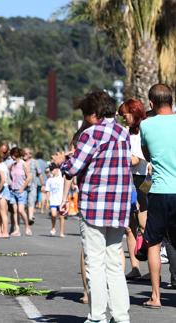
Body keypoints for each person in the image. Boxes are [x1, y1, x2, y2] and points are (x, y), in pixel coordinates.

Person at [54, 90, 130, 323]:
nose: (85, 118)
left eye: (87, 114)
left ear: (95, 113)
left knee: (94, 263)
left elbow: (73, 168)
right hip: (118, 206)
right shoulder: (122, 132)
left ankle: (97, 316)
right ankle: (121, 316)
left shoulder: (92, 134)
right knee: (114, 263)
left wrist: (61, 161)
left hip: (95, 204)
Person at [140, 84, 176, 309]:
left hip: (159, 191)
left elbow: (147, 155)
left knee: (153, 243)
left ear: (151, 104)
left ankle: (156, 296)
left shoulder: (146, 124)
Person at [117, 99, 148, 280]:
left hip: (140, 179)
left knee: (144, 224)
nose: (123, 118)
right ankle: (135, 266)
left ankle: (152, 269)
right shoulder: (125, 132)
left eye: (125, 115)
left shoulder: (142, 131)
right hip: (127, 180)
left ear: (134, 113)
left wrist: (116, 158)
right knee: (129, 227)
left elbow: (136, 159)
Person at [8, 147, 32, 236]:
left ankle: (27, 227)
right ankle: (17, 229)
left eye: (12, 154)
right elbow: (11, 176)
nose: (11, 156)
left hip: (21, 191)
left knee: (21, 210)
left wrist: (23, 187)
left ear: (15, 155)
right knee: (14, 211)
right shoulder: (13, 165)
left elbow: (29, 177)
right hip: (13, 190)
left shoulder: (23, 164)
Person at [45, 164, 65, 237]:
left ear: (56, 169)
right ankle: (53, 228)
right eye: (50, 170)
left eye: (52, 170)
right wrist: (47, 201)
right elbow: (47, 191)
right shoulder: (49, 180)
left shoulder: (62, 179)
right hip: (53, 200)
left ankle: (62, 232)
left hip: (61, 200)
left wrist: (66, 200)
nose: (51, 171)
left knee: (61, 216)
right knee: (53, 215)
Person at [23, 148, 39, 225]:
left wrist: (42, 184)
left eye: (26, 153)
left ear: (30, 155)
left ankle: (30, 217)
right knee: (25, 203)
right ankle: (28, 216)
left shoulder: (35, 162)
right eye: (23, 153)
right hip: (23, 185)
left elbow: (39, 173)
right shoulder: (21, 162)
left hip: (33, 185)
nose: (24, 155)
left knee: (31, 201)